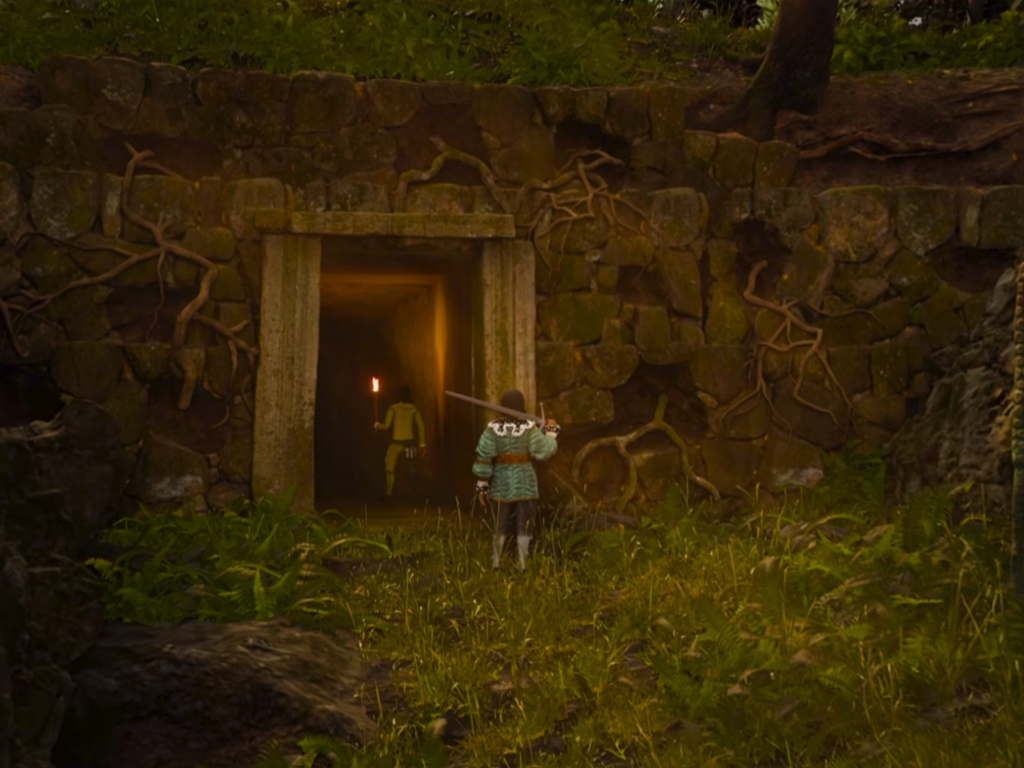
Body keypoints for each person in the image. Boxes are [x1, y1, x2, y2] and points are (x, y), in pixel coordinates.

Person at [472, 389, 560, 571]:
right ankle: (522, 564)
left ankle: (496, 563)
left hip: (501, 480)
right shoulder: (529, 428)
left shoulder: (493, 428)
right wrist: (551, 434)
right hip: (525, 480)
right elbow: (543, 451)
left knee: (499, 523)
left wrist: (483, 482)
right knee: (523, 523)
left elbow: (484, 455)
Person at [374, 385, 426, 497]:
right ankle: (413, 491)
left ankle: (389, 492)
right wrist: (422, 444)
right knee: (411, 467)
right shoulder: (413, 409)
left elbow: (386, 426)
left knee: (389, 468)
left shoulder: (393, 408)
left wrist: (377, 425)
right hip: (409, 443)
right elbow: (421, 426)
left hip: (396, 442)